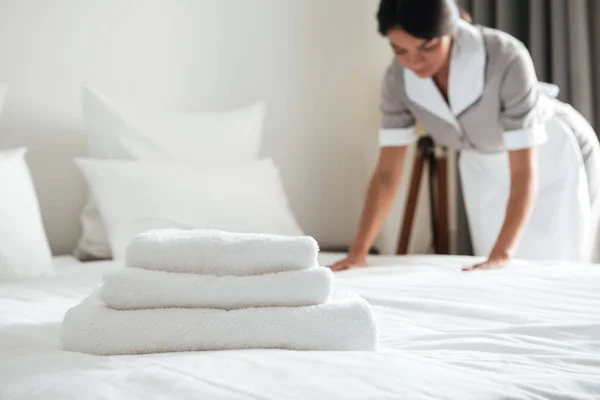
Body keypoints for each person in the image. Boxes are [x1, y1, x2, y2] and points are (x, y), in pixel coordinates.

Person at [329, 0, 600, 272]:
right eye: (400, 50)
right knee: (493, 266)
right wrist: (358, 253)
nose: (414, 61)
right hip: (482, 160)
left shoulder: (505, 57)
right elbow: (387, 174)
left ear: (452, 30)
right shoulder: (397, 80)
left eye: (427, 46)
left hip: (549, 152)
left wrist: (502, 254)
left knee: (557, 257)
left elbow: (523, 171)